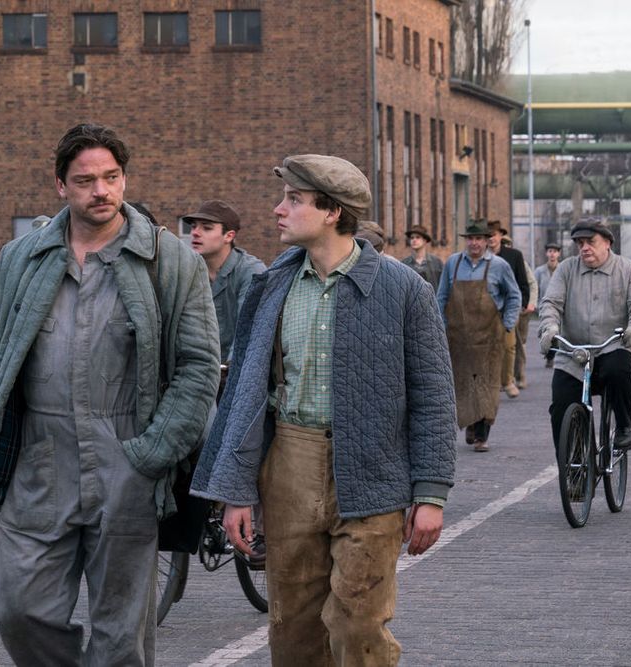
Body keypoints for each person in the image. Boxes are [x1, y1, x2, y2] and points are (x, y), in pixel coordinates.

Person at [0, 123, 220, 664]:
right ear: (60, 185)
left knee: (120, 639)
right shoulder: (21, 259)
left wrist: (150, 456)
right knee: (18, 607)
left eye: (112, 177)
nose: (101, 191)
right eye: (85, 181)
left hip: (127, 460)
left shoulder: (171, 261)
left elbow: (199, 370)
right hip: (41, 462)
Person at [192, 154, 457, 666]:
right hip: (289, 468)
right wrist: (235, 490)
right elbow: (244, 392)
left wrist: (431, 493)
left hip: (373, 472)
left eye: (294, 200)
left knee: (359, 624)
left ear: (333, 212)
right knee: (292, 626)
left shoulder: (404, 289)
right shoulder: (271, 285)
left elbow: (433, 395)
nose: (278, 209)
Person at [540, 220, 631, 451]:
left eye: (591, 242)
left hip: (614, 345)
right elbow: (551, 303)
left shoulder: (629, 270)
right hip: (573, 353)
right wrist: (549, 327)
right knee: (560, 407)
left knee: (618, 371)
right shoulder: (566, 269)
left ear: (607, 243)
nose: (584, 248)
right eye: (580, 243)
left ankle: (624, 426)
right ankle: (573, 462)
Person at [437, 221, 521, 452]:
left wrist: (507, 323)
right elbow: (441, 296)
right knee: (464, 383)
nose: (474, 243)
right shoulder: (453, 263)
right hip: (458, 337)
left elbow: (514, 295)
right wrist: (440, 324)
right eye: (470, 239)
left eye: (479, 239)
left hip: (490, 337)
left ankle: (482, 434)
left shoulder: (499, 266)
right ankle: (472, 423)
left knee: (487, 384)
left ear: (486, 241)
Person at [183, 199, 266, 360]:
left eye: (206, 228)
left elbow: (247, 330)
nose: (195, 233)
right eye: (193, 226)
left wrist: (228, 369)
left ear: (229, 236)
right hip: (200, 367)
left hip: (237, 368)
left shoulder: (251, 271)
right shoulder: (188, 271)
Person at [487, 221, 530, 398]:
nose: (491, 238)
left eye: (494, 235)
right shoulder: (480, 257)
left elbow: (523, 282)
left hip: (509, 307)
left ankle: (507, 380)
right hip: (486, 310)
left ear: (500, 236)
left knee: (509, 345)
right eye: (488, 235)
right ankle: (493, 381)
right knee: (488, 347)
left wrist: (522, 304)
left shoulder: (514, 256)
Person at [502, 235, 539, 389]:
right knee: (505, 344)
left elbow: (531, 283)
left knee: (519, 343)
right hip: (503, 308)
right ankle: (506, 377)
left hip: (520, 309)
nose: (505, 247)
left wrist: (531, 303)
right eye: (503, 244)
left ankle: (520, 375)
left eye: (507, 244)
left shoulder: (519, 262)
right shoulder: (494, 263)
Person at [534, 242, 562, 368]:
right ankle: (550, 355)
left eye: (555, 251)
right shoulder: (539, 271)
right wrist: (535, 304)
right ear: (546, 253)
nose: (552, 254)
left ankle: (554, 356)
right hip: (544, 307)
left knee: (558, 334)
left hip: (560, 307)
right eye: (550, 251)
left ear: (559, 254)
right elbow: (535, 288)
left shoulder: (563, 269)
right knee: (547, 333)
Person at [401, 224, 444, 292]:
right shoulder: (404, 264)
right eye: (412, 238)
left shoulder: (437, 263)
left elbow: (443, 287)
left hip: (433, 298)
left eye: (418, 237)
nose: (414, 240)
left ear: (425, 240)